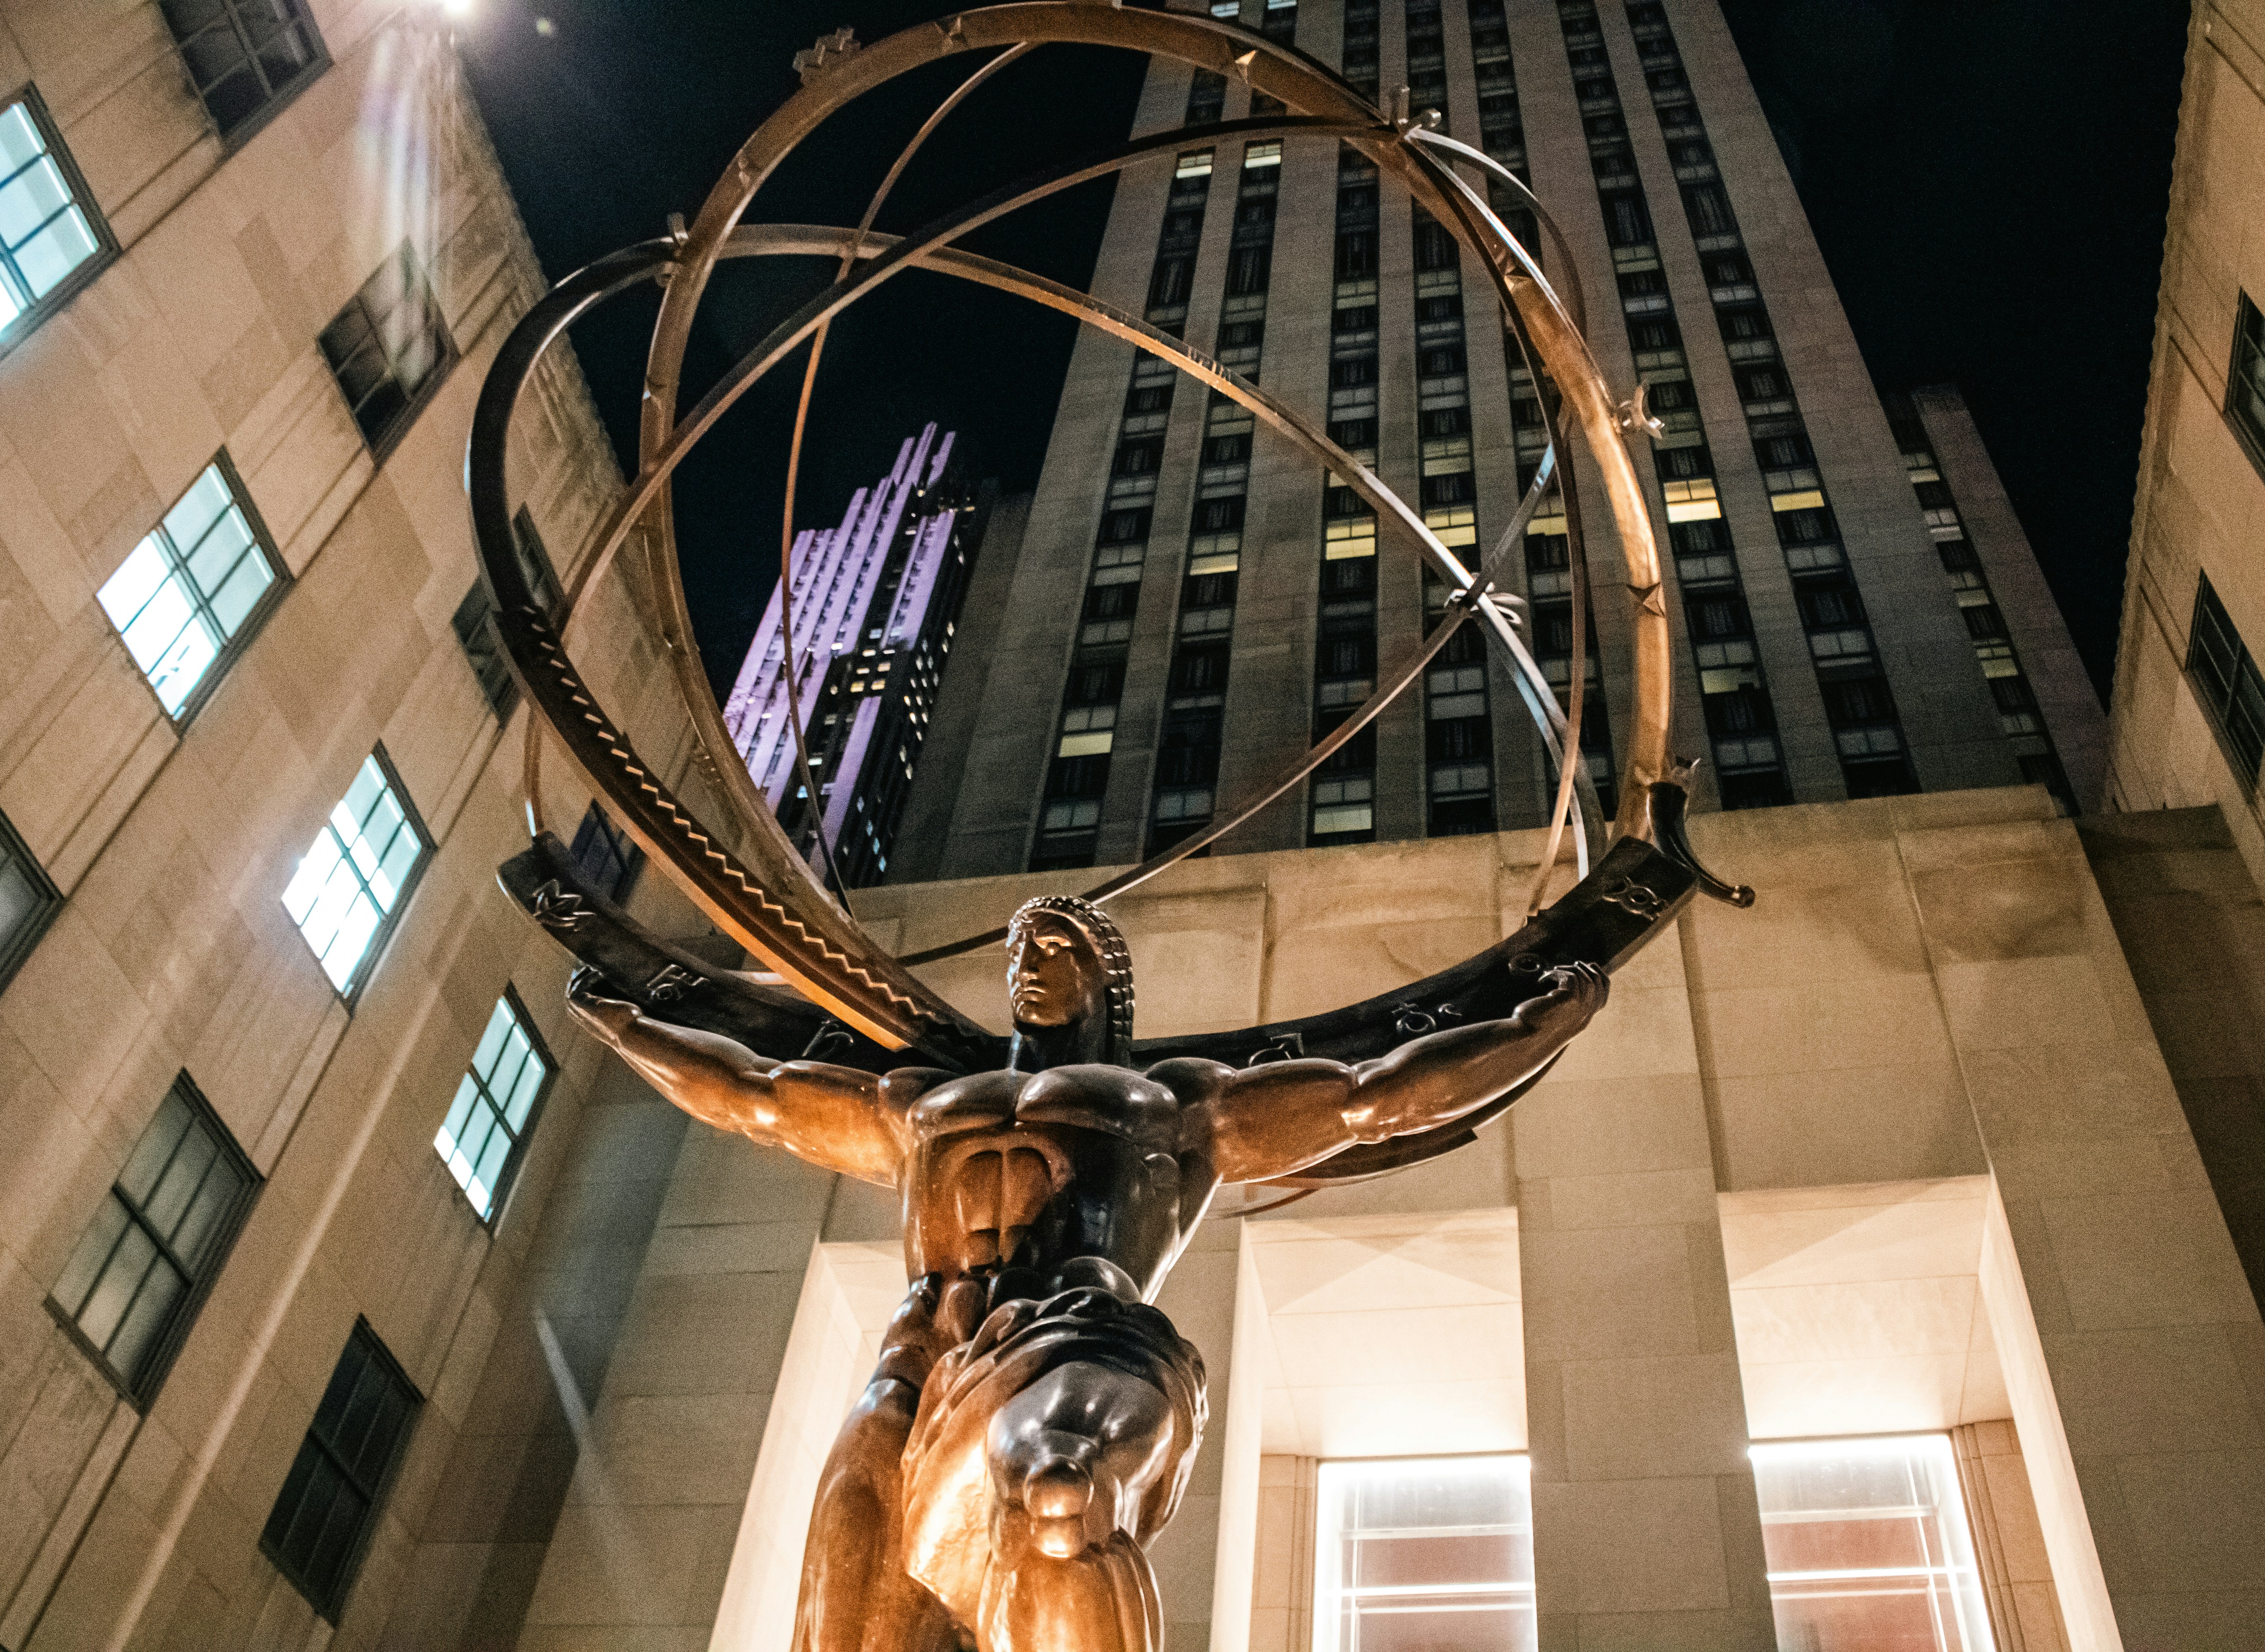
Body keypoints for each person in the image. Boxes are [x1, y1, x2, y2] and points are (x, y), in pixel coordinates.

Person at [567, 894, 1606, 1652]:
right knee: (845, 1630)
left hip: (1079, 1334)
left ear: (1104, 975)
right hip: (916, 1373)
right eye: (1019, 942)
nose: (1028, 957)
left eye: (1055, 943)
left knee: (1057, 1487)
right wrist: (626, 1024)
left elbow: (1372, 1094)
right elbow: (752, 1092)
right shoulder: (918, 1097)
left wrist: (1537, 1023)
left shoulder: (1175, 1101)